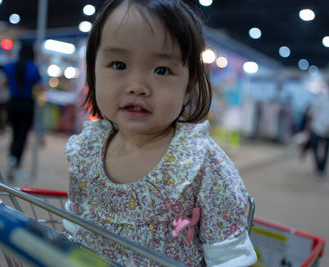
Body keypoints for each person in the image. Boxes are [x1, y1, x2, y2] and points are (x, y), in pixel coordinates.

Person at [64, 0, 257, 266]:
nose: (137, 86)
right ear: (93, 72)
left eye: (162, 70)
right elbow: (73, 223)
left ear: (188, 87)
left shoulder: (202, 164)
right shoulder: (86, 149)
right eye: (119, 65)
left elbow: (230, 258)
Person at [3, 42, 43, 181]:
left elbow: (4, 82)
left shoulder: (9, 66)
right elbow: (41, 87)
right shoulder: (34, 69)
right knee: (22, 136)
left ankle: (12, 159)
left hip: (13, 104)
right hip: (27, 105)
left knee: (14, 135)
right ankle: (16, 162)